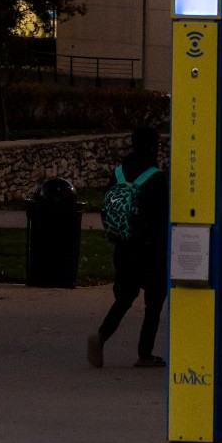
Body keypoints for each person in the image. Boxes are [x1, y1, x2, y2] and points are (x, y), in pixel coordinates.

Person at [89, 126, 169, 369]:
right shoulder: (156, 177)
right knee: (154, 302)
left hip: (123, 247)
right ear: (153, 147)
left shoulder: (119, 173)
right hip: (150, 250)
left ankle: (102, 335)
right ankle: (145, 354)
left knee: (124, 298)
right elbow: (162, 219)